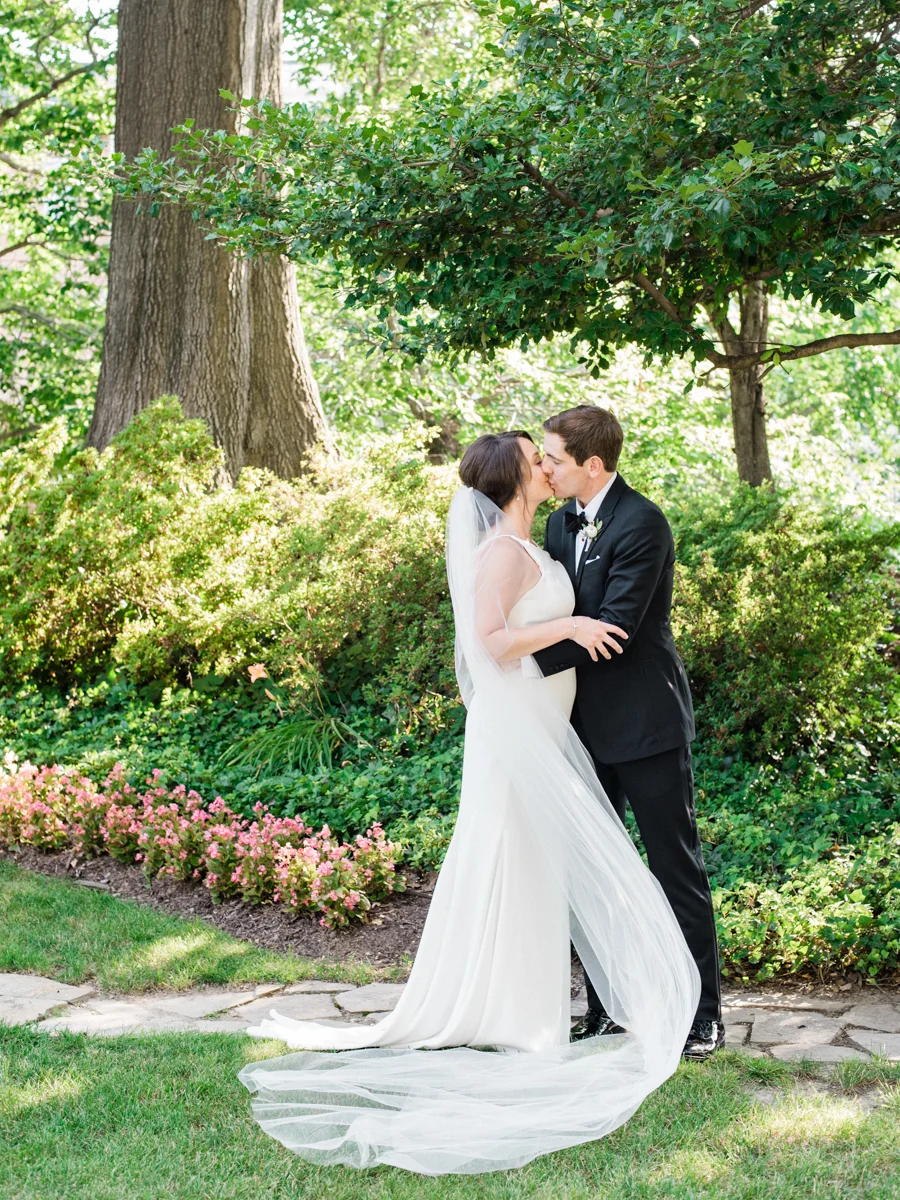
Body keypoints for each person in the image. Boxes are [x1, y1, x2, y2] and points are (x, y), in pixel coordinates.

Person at [237, 430, 699, 1175]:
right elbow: (489, 641)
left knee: (544, 861)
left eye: (551, 454)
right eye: (535, 455)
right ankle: (511, 1008)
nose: (545, 463)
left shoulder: (553, 534)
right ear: (518, 476)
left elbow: (574, 623)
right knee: (510, 851)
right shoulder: (511, 549)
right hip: (520, 722)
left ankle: (576, 1007)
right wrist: (571, 625)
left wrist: (564, 633)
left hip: (558, 721)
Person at [535, 405, 723, 1059]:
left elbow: (610, 630)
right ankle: (608, 1008)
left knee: (676, 869)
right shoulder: (559, 521)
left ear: (592, 465)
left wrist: (516, 663)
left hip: (646, 725)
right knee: (591, 871)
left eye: (553, 458)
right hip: (581, 730)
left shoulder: (643, 523)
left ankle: (703, 1017)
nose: (544, 467)